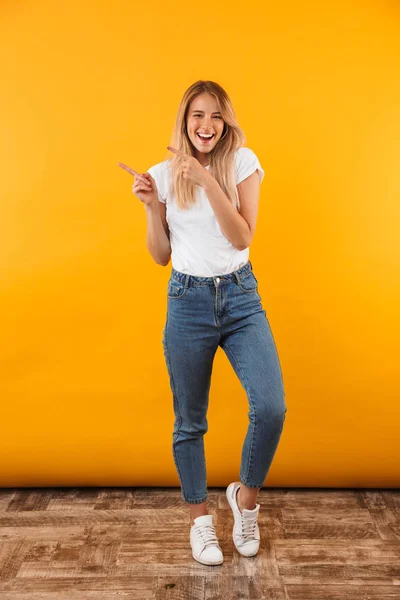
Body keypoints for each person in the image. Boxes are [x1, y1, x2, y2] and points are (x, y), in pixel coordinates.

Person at [131, 80, 287, 566]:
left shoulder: (243, 162)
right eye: (198, 115)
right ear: (184, 120)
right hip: (187, 301)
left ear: (227, 122)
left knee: (272, 406)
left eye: (216, 116)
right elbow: (160, 255)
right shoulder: (162, 173)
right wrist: (152, 206)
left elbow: (242, 237)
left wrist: (204, 179)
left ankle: (244, 501)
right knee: (189, 421)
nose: (207, 125)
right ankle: (201, 523)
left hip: (240, 298)